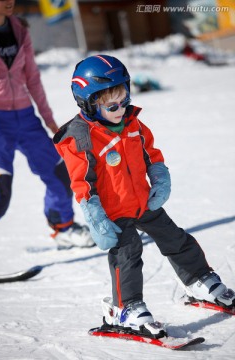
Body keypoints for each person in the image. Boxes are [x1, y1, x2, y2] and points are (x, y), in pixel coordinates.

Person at [53, 54, 235, 334]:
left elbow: (150, 153)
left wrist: (159, 176)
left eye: (124, 99)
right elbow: (83, 182)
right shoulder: (81, 137)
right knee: (128, 253)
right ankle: (125, 308)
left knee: (176, 238)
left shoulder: (133, 124)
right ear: (89, 102)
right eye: (112, 104)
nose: (120, 108)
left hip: (142, 201)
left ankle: (199, 281)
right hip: (113, 212)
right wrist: (95, 215)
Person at [0, 0, 94, 249]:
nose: (10, 1)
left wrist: (50, 120)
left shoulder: (19, 29)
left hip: (26, 117)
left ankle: (63, 227)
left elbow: (33, 79)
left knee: (59, 173)